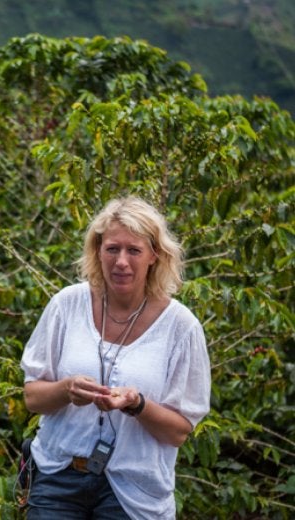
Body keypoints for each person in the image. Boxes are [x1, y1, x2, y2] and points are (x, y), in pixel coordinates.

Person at [20, 196, 211, 519]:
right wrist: (66, 389)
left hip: (134, 490)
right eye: (112, 249)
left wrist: (137, 404)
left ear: (154, 255)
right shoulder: (66, 305)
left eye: (134, 250)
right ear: (97, 251)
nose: (121, 261)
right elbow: (32, 398)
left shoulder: (181, 327)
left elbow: (179, 431)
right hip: (58, 477)